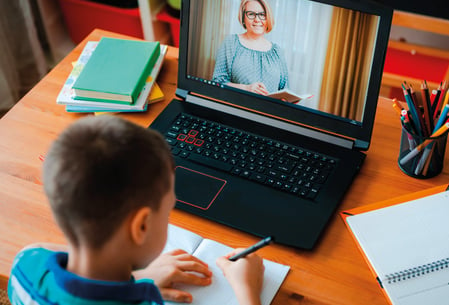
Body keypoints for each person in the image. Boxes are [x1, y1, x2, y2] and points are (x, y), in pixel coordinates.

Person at [7, 115, 264, 305]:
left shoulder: (25, 264)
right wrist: (247, 289)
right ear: (141, 226)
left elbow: (51, 249)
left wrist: (138, 277)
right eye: (168, 211)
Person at [212, 0, 289, 95]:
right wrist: (246, 88)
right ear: (243, 17)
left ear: (268, 17)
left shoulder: (277, 51)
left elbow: (284, 89)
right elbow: (217, 83)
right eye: (251, 14)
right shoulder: (231, 43)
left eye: (262, 14)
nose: (257, 19)